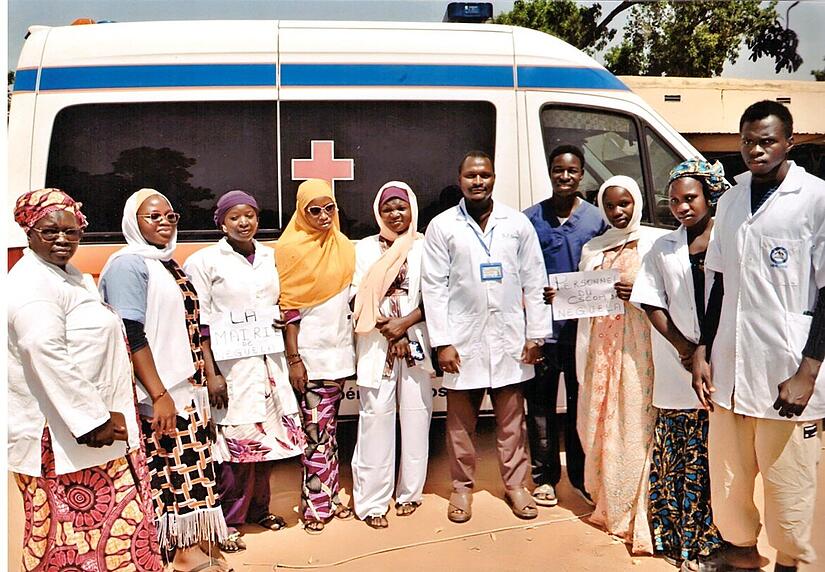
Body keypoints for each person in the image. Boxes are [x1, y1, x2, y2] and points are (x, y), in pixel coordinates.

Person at [692, 100, 825, 572]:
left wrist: (807, 372)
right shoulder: (730, 200)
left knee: (790, 486)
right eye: (748, 141)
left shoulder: (816, 199)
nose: (756, 150)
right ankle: (742, 553)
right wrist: (702, 350)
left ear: (789, 142)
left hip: (785, 371)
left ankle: (791, 562)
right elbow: (719, 284)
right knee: (728, 481)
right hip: (729, 367)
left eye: (767, 141)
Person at [8, 188, 163, 572]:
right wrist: (92, 419)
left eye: (72, 231)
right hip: (64, 438)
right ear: (29, 231)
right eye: (50, 231)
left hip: (92, 427)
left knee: (112, 537)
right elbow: (43, 349)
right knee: (75, 542)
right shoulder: (32, 284)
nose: (63, 239)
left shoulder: (68, 276)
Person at [99, 189, 229, 571]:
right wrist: (158, 394)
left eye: (170, 216)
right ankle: (184, 554)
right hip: (157, 390)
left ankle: (198, 544)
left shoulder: (168, 263)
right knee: (171, 468)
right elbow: (130, 332)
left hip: (185, 386)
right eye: (152, 216)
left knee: (192, 468)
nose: (164, 223)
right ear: (133, 222)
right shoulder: (127, 265)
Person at [421, 151, 552, 523]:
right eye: (471, 176)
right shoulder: (443, 226)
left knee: (512, 423)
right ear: (459, 179)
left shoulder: (517, 223)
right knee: (460, 425)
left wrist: (536, 335)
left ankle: (516, 486)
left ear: (494, 178)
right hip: (463, 340)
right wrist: (443, 342)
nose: (478, 181)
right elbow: (434, 287)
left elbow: (535, 279)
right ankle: (461, 489)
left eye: (484, 175)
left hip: (511, 339)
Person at [183, 191, 304, 552]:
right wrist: (212, 373)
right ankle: (229, 522)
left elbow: (286, 303)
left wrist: (282, 324)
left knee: (266, 445)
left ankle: (259, 510)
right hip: (230, 369)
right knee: (234, 451)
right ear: (221, 223)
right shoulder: (204, 262)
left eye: (249, 215)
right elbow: (200, 322)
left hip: (268, 364)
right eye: (234, 217)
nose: (243, 222)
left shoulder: (271, 257)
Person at [630, 160, 729, 568]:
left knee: (715, 456)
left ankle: (714, 540)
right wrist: (686, 350)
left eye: (690, 198)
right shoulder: (662, 248)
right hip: (677, 364)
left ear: (709, 197)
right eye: (673, 201)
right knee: (677, 455)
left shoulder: (730, 239)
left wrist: (707, 350)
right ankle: (677, 539)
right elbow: (650, 301)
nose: (682, 207)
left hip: (724, 360)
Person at [571, 175, 656, 554]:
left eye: (624, 203)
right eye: (610, 205)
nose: (618, 211)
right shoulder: (594, 248)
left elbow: (667, 292)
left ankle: (632, 506)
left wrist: (638, 293)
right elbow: (583, 297)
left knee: (633, 420)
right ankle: (607, 499)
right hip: (601, 349)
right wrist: (562, 296)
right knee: (599, 418)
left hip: (638, 350)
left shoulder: (653, 242)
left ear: (636, 202)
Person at [522, 144, 607, 507]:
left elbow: (606, 270)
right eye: (558, 169)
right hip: (542, 332)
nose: (565, 176)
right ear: (550, 172)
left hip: (581, 333)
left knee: (579, 406)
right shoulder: (530, 219)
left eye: (572, 170)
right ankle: (544, 479)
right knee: (539, 407)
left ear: (582, 174)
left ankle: (580, 477)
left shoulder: (596, 220)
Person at [350, 181, 434, 529]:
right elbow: (356, 295)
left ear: (412, 208)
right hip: (376, 339)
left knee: (416, 416)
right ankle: (372, 502)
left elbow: (435, 293)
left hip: (415, 337)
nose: (395, 214)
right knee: (375, 418)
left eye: (401, 207)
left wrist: (404, 325)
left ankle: (410, 493)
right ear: (378, 212)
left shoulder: (425, 245)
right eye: (388, 208)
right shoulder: (365, 248)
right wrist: (389, 327)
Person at [275, 178, 357, 534]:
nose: (324, 216)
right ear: (301, 211)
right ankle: (315, 509)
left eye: (329, 208)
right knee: (316, 436)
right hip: (309, 361)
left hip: (339, 357)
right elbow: (289, 311)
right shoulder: (289, 249)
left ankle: (330, 496)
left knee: (329, 433)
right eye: (315, 210)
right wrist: (295, 360)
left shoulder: (343, 246)